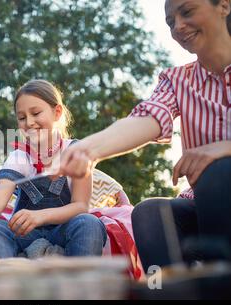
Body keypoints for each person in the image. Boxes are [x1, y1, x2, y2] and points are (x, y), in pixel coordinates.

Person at [60, 0, 231, 271]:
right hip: (205, 207)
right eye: (170, 21)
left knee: (220, 171)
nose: (178, 27)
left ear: (223, 5)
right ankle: (163, 290)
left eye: (187, 12)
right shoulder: (178, 81)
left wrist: (224, 148)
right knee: (149, 213)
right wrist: (89, 149)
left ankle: (219, 284)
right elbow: (146, 118)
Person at [0, 79, 106, 259]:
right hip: (24, 235)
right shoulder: (19, 157)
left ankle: (81, 282)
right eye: (22, 118)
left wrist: (40, 216)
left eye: (36, 113)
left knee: (88, 223)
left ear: (57, 112)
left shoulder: (75, 151)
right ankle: (9, 279)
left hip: (64, 231)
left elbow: (81, 206)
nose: (29, 122)